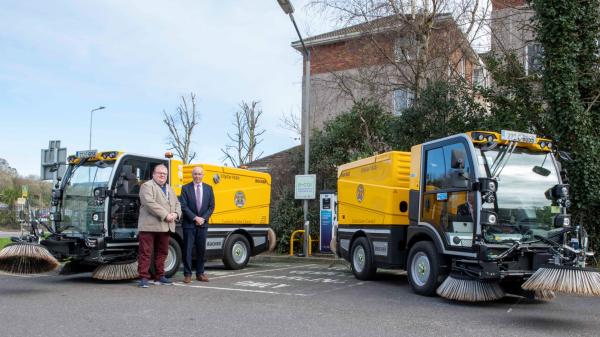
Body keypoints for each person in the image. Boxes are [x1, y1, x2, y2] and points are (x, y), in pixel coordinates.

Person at [137, 164, 181, 288]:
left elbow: (177, 203)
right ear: (153, 174)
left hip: (165, 226)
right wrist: (166, 215)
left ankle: (160, 276)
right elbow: (150, 203)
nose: (162, 175)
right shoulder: (147, 186)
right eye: (159, 173)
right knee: (146, 252)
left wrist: (176, 213)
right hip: (149, 226)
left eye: (164, 173)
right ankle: (144, 278)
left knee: (162, 252)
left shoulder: (169, 188)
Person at [179, 166, 215, 283]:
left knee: (201, 250)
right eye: (195, 174)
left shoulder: (209, 188)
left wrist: (203, 218)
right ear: (192, 175)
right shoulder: (185, 188)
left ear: (203, 175)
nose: (197, 176)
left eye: (199, 174)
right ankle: (187, 274)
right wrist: (195, 218)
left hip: (203, 225)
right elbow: (183, 206)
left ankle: (200, 273)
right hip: (189, 224)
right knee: (188, 250)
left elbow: (211, 206)